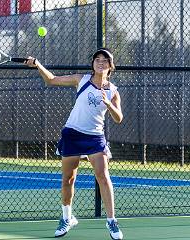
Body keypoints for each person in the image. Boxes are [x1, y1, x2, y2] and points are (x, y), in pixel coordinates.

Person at [25, 48, 124, 240]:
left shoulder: (113, 91)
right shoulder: (82, 79)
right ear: (93, 64)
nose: (100, 62)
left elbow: (119, 118)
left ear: (111, 66)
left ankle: (112, 221)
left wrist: (108, 103)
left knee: (103, 177)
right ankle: (67, 218)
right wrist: (37, 64)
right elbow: (51, 80)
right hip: (72, 134)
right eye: (97, 59)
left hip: (95, 138)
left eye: (105, 60)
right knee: (68, 179)